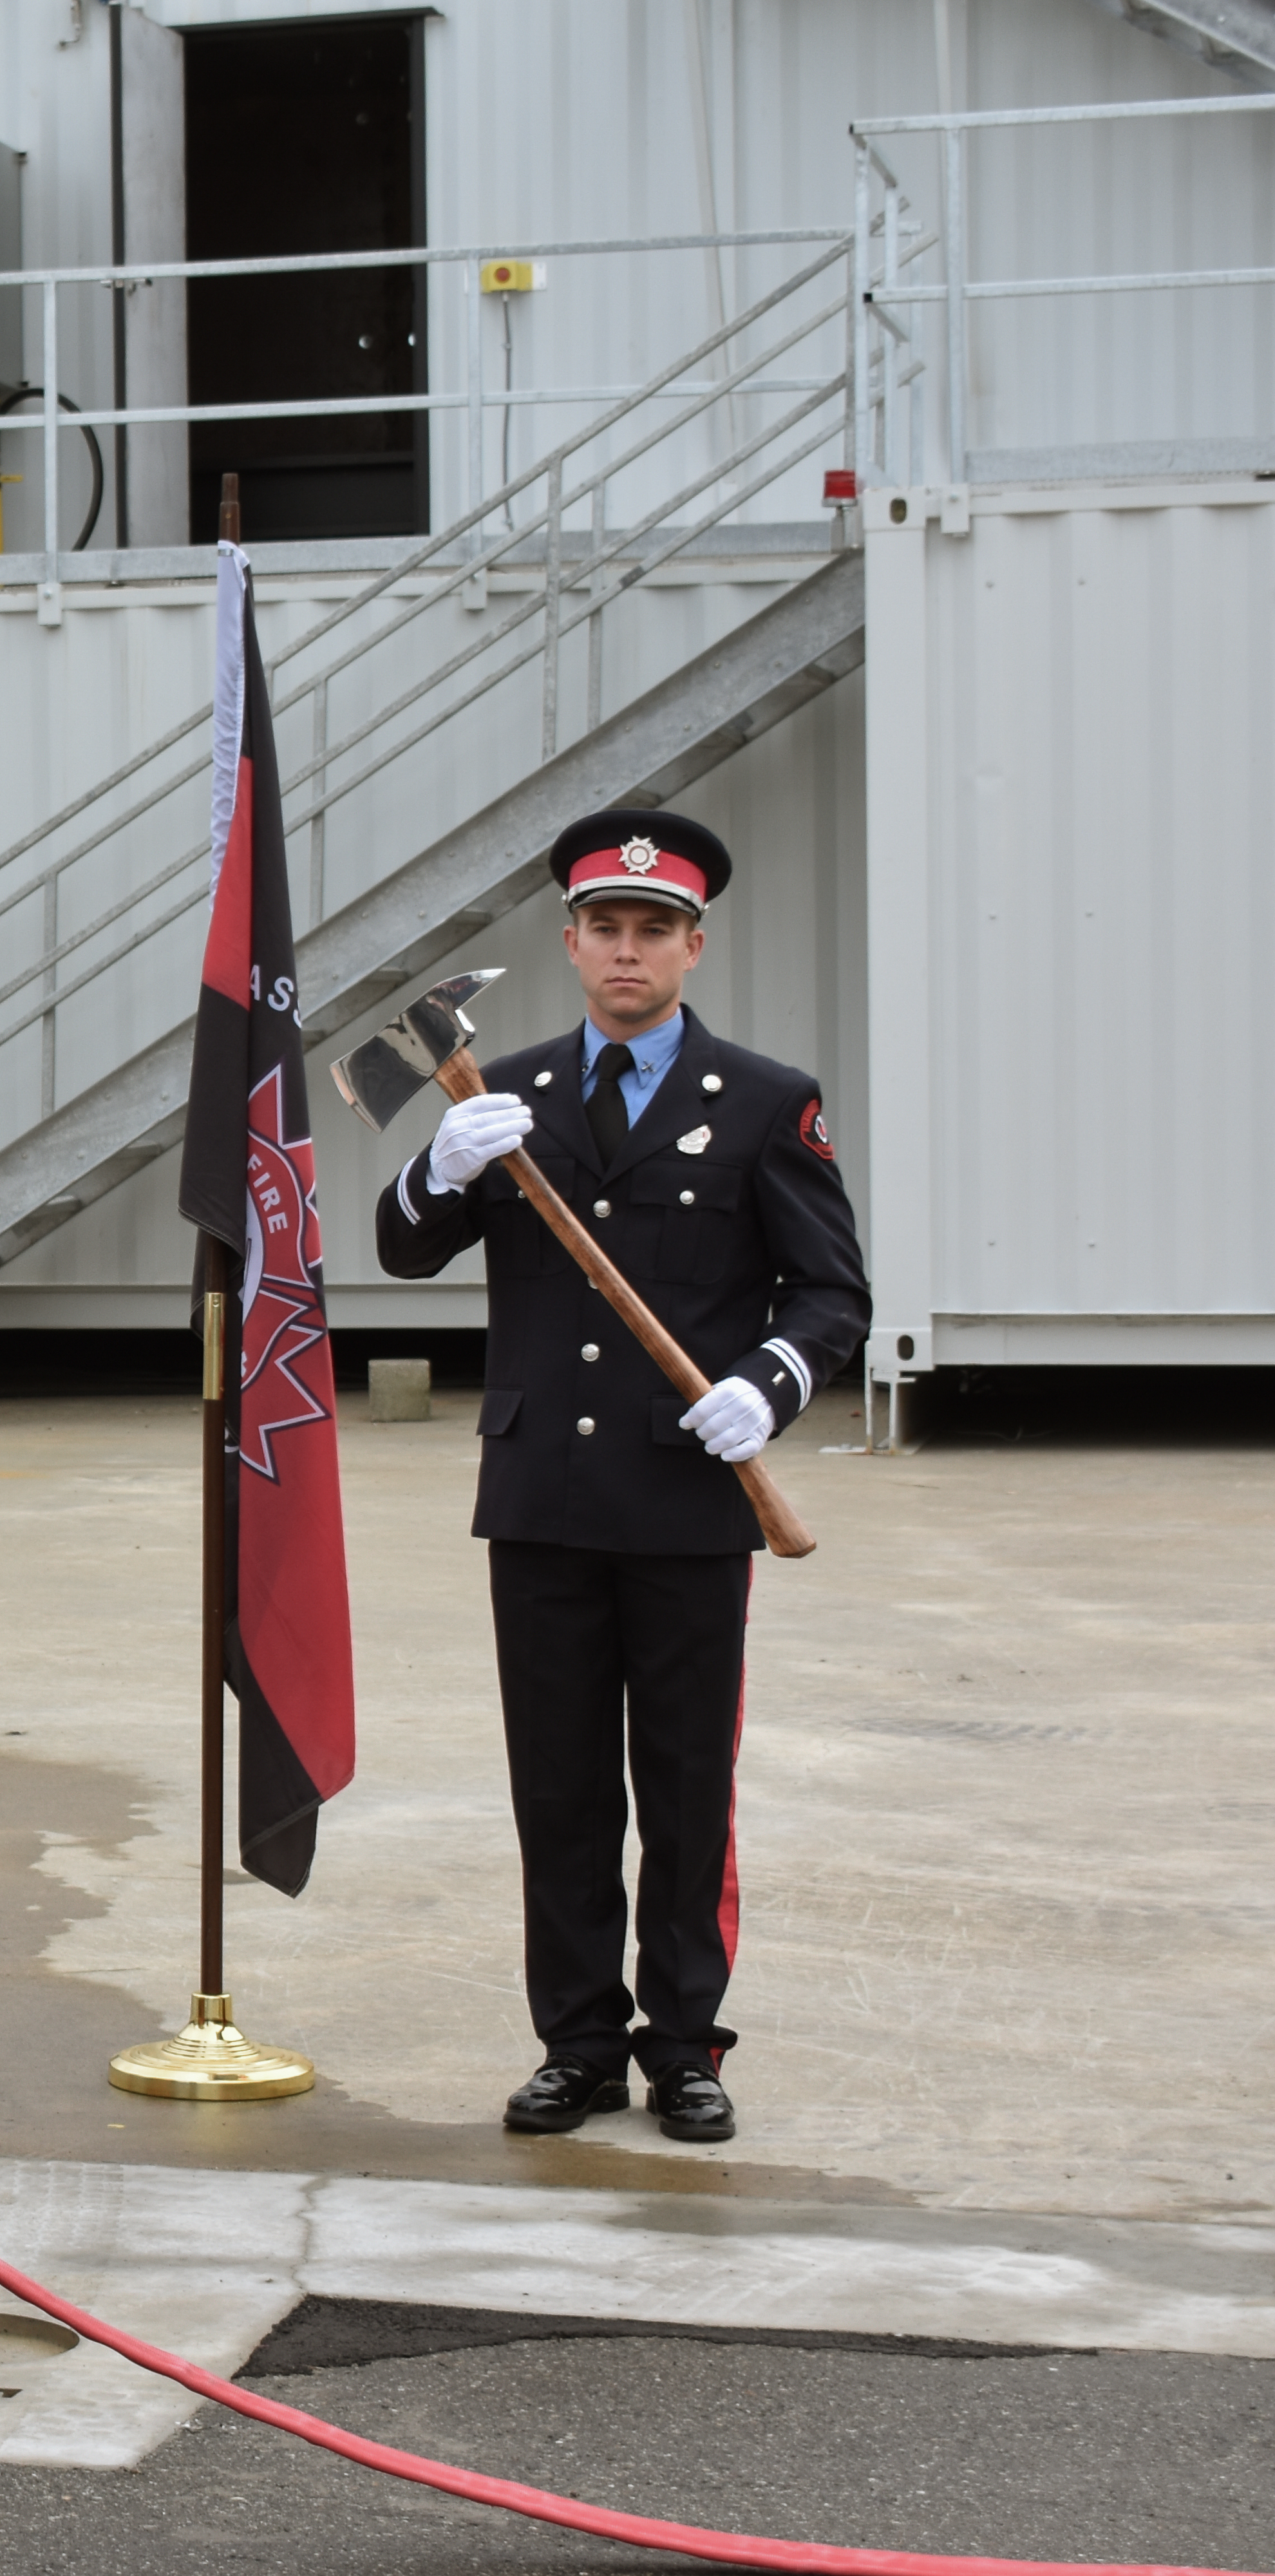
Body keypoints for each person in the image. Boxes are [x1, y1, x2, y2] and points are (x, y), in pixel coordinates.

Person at [374, 808, 868, 2146]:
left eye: (656, 928)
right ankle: (579, 2042)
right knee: (563, 1786)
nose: (629, 948)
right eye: (607, 926)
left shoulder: (767, 1099)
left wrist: (765, 1382)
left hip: (690, 1499)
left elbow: (832, 1292)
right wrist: (435, 1165)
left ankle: (687, 2043)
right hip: (540, 1494)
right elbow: (403, 1250)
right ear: (572, 939)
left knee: (687, 1783)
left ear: (694, 946)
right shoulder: (502, 1093)